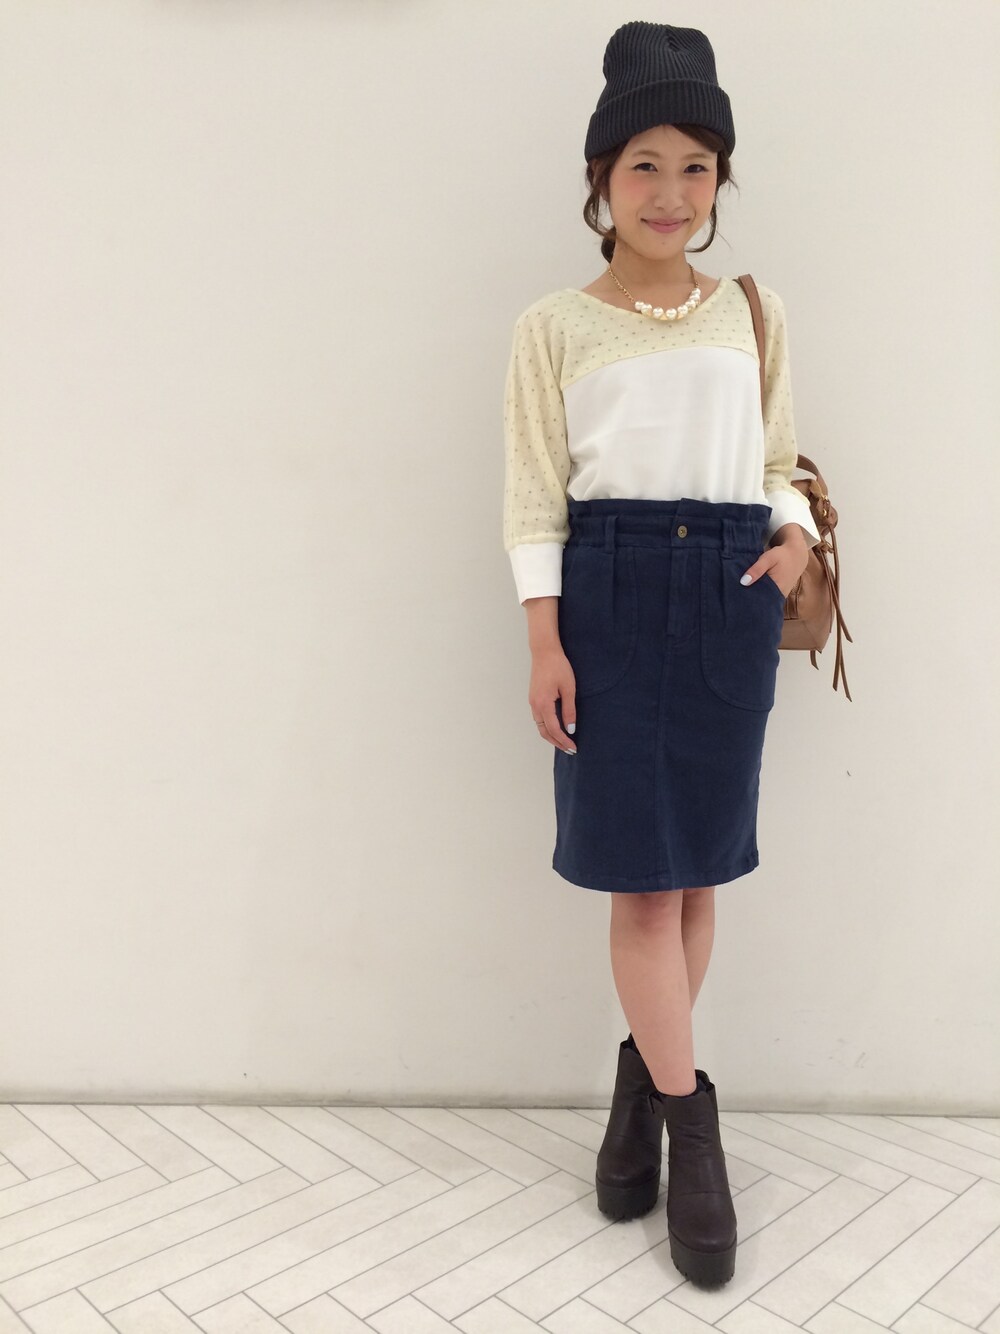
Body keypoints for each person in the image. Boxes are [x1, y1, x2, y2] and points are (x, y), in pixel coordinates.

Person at [501, 21, 822, 1288]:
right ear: (601, 178)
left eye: (696, 165)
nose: (671, 192)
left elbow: (777, 454)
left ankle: (639, 1101)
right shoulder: (551, 326)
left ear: (719, 180)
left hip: (730, 588)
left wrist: (791, 537)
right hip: (610, 593)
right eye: (644, 164)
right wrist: (544, 637)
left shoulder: (754, 310)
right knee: (640, 883)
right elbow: (535, 493)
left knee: (692, 873)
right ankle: (693, 1133)